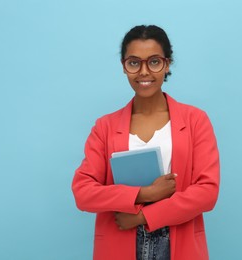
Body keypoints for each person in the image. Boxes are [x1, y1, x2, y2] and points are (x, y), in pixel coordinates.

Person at [72, 25, 220, 260]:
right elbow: (83, 192)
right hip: (120, 242)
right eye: (134, 62)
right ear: (124, 66)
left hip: (177, 242)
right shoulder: (105, 127)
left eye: (153, 62)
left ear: (167, 64)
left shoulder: (195, 120)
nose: (143, 72)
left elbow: (207, 192)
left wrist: (143, 217)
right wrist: (145, 193)